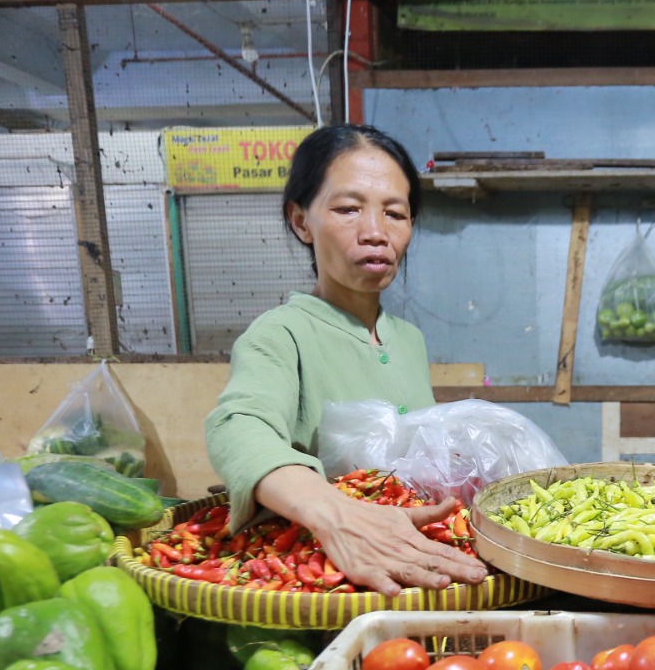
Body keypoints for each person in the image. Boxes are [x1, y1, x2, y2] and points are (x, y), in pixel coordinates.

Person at [205, 124, 489, 597]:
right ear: (301, 221)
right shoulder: (281, 334)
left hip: (414, 573)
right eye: (348, 209)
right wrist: (337, 514)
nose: (376, 233)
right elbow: (238, 427)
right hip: (331, 587)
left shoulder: (408, 339)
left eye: (395, 214)